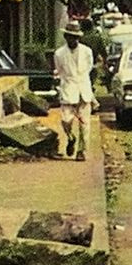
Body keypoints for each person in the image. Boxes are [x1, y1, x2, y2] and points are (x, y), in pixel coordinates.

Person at [53, 21, 95, 161]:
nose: (73, 40)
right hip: (68, 91)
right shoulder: (59, 54)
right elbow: (59, 71)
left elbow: (88, 69)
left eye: (76, 37)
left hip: (83, 91)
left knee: (84, 124)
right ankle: (71, 138)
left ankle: (82, 151)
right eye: (71, 37)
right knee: (66, 121)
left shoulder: (87, 52)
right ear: (66, 37)